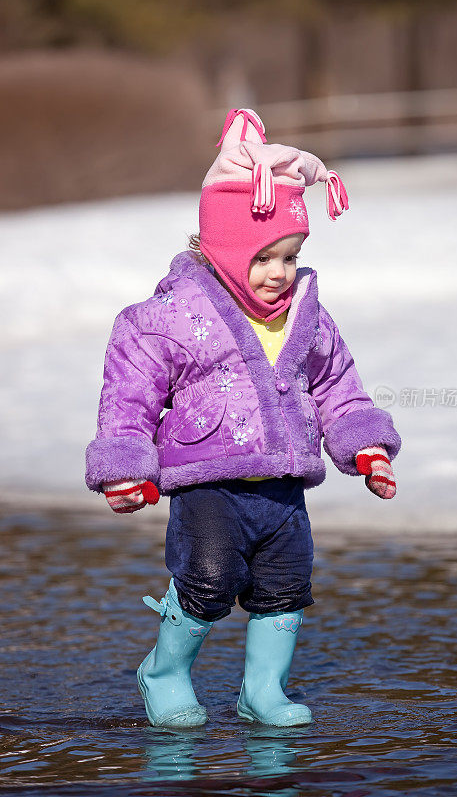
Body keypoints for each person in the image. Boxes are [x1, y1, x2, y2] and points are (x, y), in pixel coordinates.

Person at [85, 108, 401, 729]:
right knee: (206, 579)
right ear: (225, 248)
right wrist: (126, 462)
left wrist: (364, 446)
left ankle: (262, 689)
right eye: (264, 257)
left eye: (291, 255)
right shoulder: (173, 314)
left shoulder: (307, 316)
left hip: (283, 480)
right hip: (208, 478)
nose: (279, 273)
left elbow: (338, 386)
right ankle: (166, 673)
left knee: (286, 585)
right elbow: (130, 393)